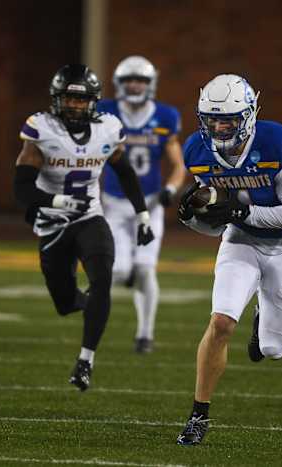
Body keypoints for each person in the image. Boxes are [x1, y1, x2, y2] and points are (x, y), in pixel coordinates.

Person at [174, 74, 282, 445]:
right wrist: (192, 219)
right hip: (240, 242)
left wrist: (241, 214)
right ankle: (198, 415)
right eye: (212, 120)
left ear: (249, 116)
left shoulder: (276, 141)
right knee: (220, 322)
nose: (220, 128)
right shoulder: (197, 151)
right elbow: (216, 226)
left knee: (272, 349)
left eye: (229, 120)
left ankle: (260, 317)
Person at [13, 64, 154, 392]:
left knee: (102, 277)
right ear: (56, 100)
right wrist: (58, 202)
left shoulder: (108, 128)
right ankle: (90, 305)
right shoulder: (42, 130)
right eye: (69, 100)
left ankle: (85, 361)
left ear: (93, 102)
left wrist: (142, 214)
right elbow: (21, 190)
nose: (76, 107)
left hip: (90, 217)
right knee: (65, 302)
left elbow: (126, 172)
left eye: (82, 101)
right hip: (52, 225)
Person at [97, 56, 186, 354]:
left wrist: (170, 189)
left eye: (141, 80)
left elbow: (178, 164)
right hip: (114, 203)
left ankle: (144, 334)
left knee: (146, 270)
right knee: (120, 272)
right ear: (119, 84)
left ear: (151, 85)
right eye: (130, 80)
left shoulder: (164, 116)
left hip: (149, 205)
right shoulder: (104, 113)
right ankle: (129, 271)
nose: (135, 85)